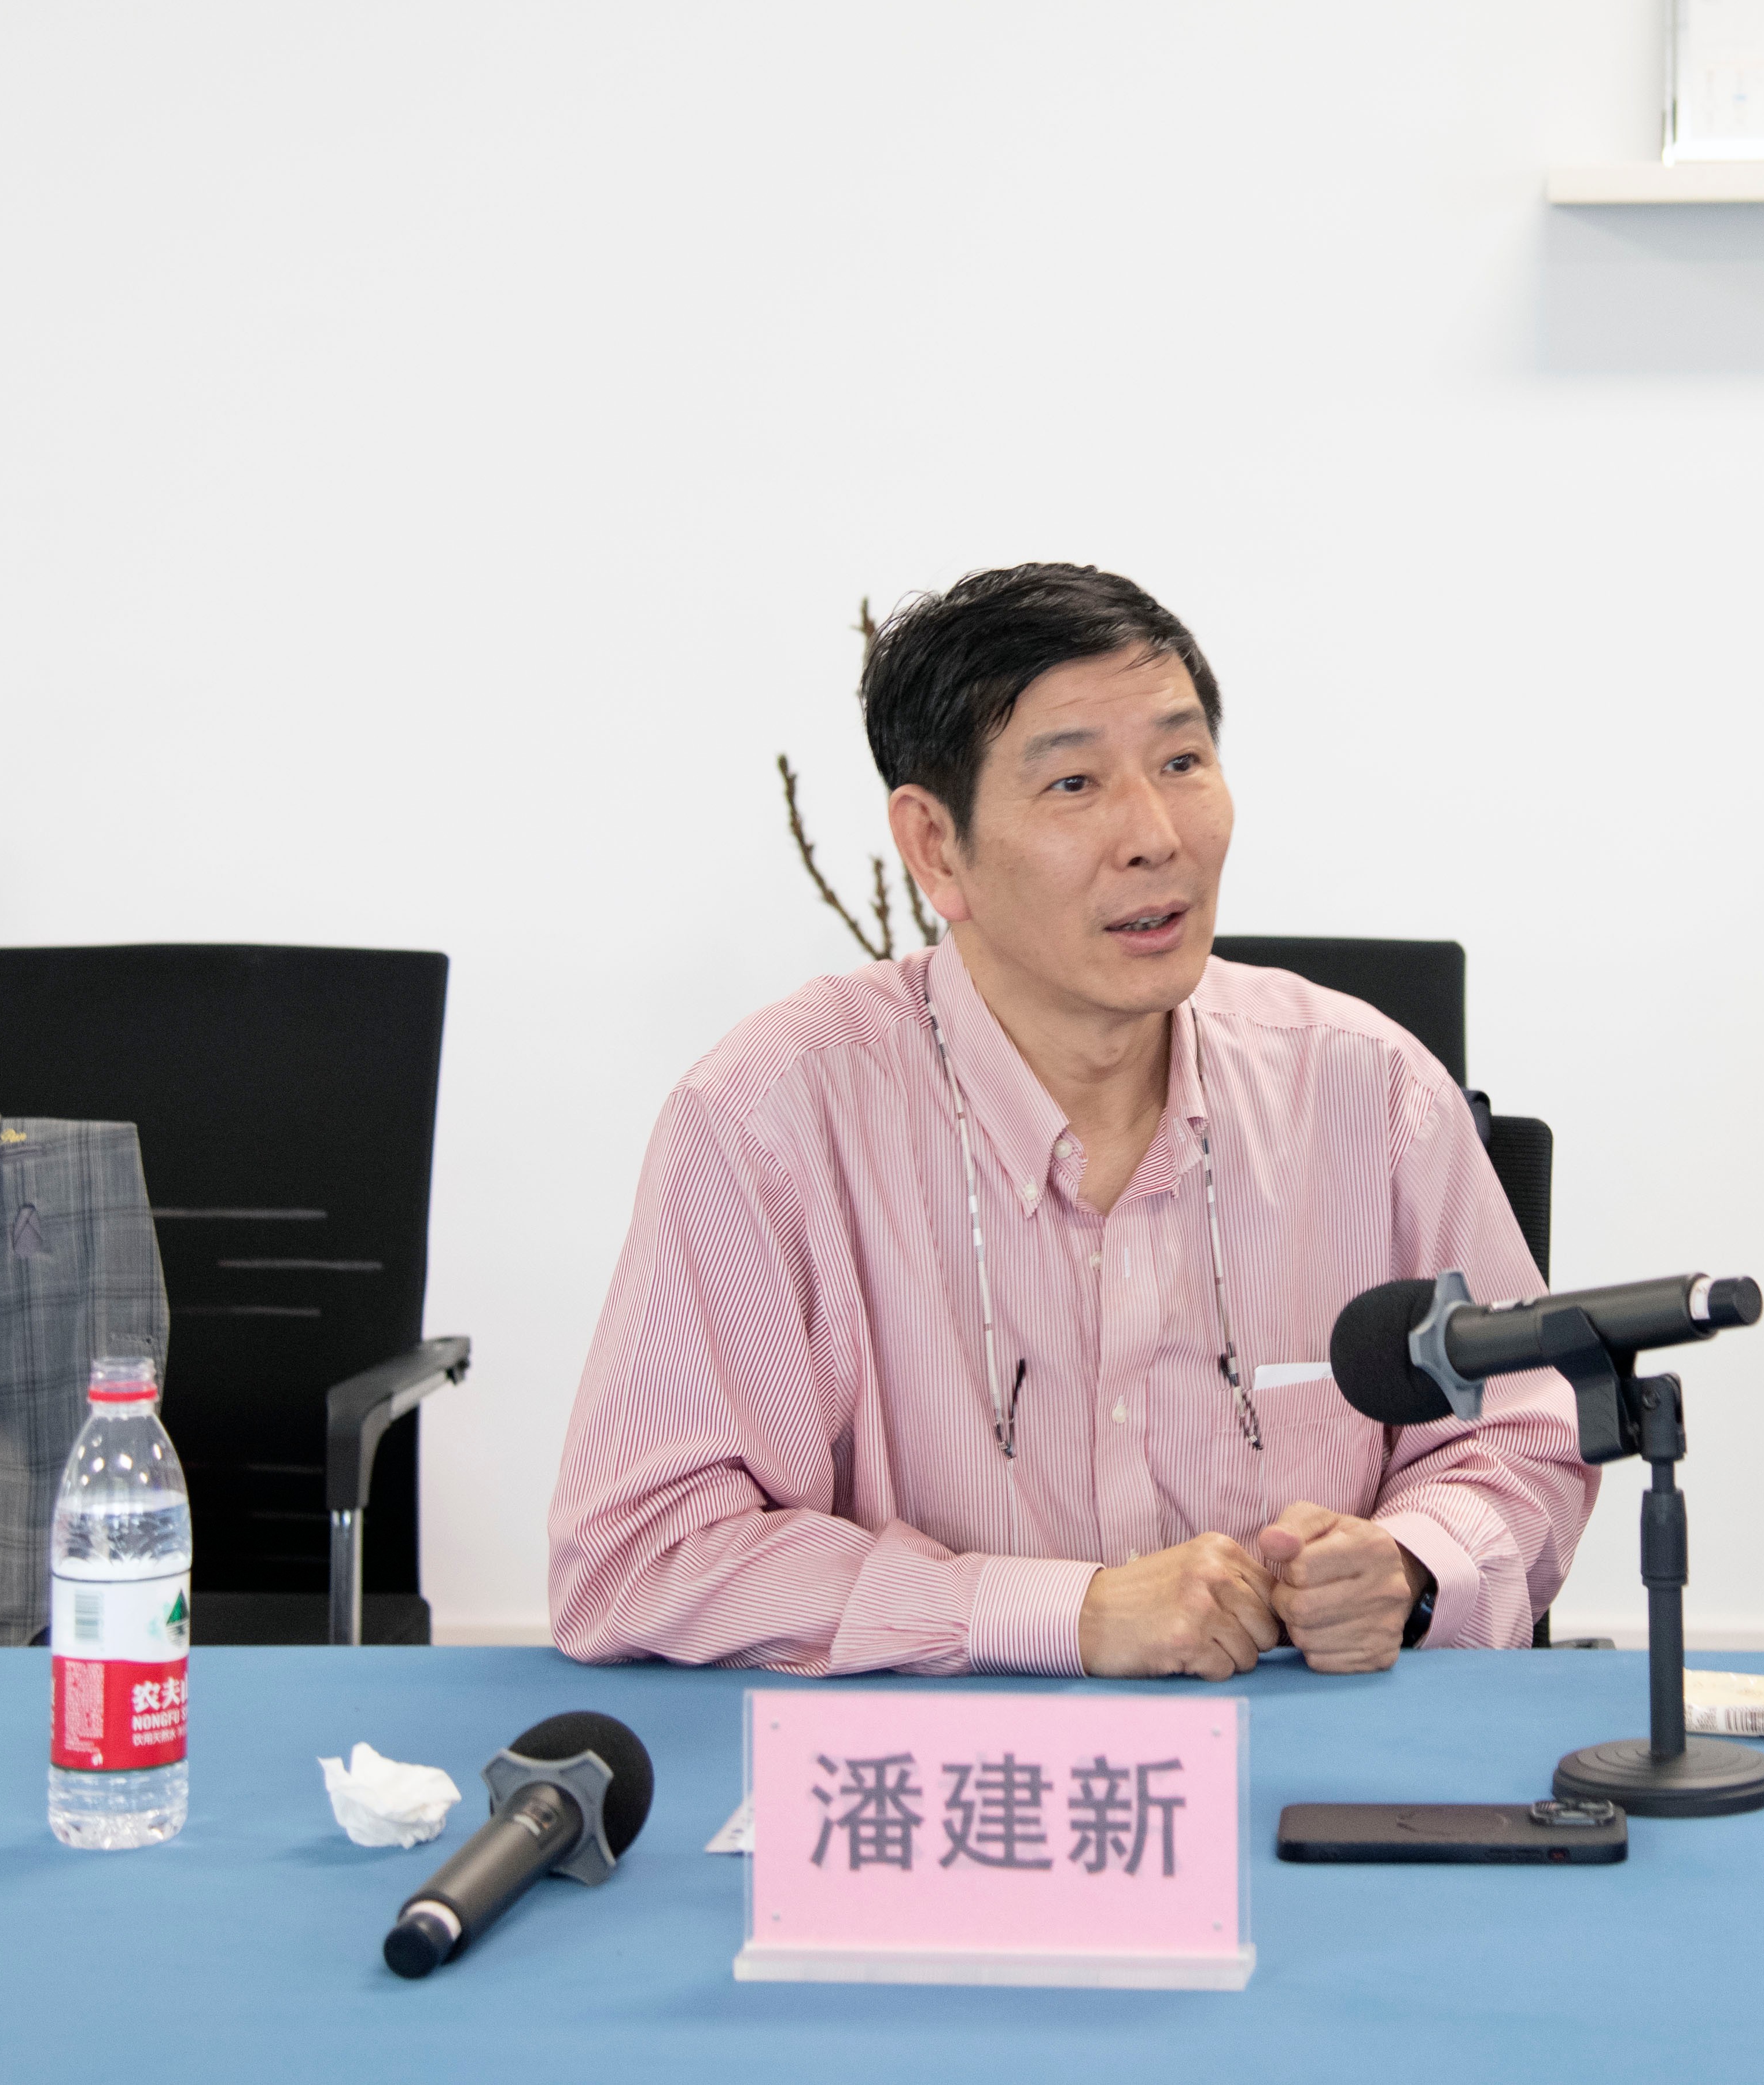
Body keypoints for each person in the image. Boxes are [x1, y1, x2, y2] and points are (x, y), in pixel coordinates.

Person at [549, 563, 1589, 1677]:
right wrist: (1059, 1613)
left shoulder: (1369, 1090)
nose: (1155, 835)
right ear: (935, 847)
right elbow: (642, 1553)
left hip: (1307, 1749)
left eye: (1182, 762)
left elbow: (1523, 1435)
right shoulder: (773, 1120)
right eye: (1075, 783)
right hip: (952, 1767)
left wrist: (1412, 1564)